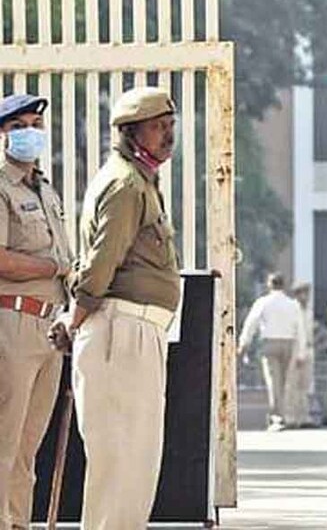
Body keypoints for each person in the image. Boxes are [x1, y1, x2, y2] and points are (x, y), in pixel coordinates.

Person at [48, 86, 181, 529]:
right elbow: (102, 263)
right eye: (157, 127)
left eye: (170, 126)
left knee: (134, 460)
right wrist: (75, 317)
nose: (167, 135)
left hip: (132, 332)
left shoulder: (140, 181)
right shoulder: (126, 184)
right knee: (122, 461)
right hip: (120, 332)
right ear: (129, 133)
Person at [0, 94, 72, 530]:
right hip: (14, 320)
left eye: (36, 124)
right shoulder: (1, 186)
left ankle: (17, 522)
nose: (30, 132)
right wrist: (55, 267)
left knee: (29, 446)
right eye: (18, 126)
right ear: (2, 134)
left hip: (49, 325)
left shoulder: (44, 188)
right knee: (5, 438)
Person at [237, 273, 304, 432]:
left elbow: (251, 323)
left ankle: (277, 417)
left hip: (269, 343)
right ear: (284, 285)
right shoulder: (292, 304)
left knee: (273, 380)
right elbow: (300, 328)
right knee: (284, 380)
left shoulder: (263, 302)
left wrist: (244, 343)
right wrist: (301, 352)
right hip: (288, 342)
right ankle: (283, 414)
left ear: (269, 284)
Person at [287, 282, 316, 428]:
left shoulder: (308, 312)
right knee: (293, 383)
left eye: (307, 293)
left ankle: (304, 416)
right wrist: (300, 353)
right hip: (295, 348)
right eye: (303, 293)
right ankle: (291, 417)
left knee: (305, 385)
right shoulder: (292, 308)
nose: (306, 296)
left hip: (309, 348)